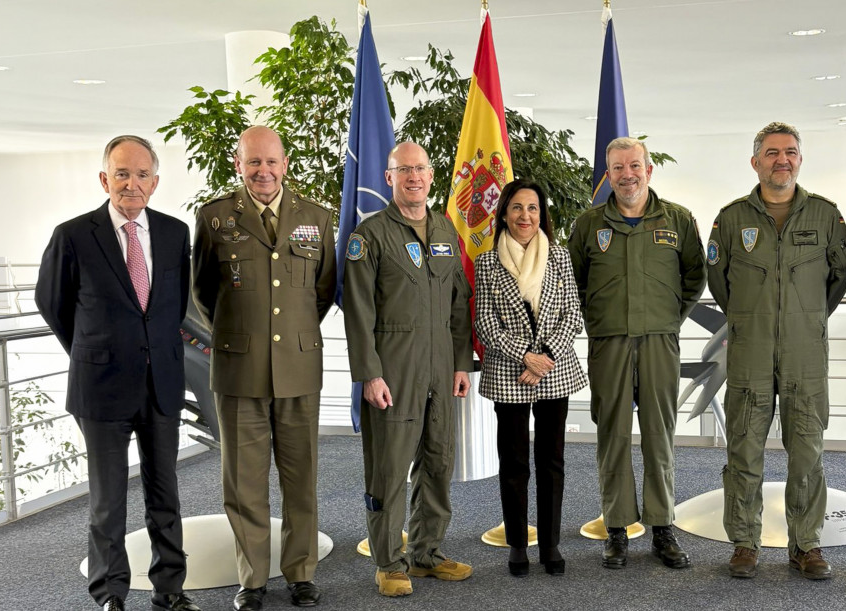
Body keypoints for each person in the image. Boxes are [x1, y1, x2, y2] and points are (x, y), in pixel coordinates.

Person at [36, 136, 200, 611]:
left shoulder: (174, 233)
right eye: (122, 174)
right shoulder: (73, 235)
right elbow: (52, 303)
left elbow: (175, 305)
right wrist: (94, 351)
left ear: (155, 181)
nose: (132, 184)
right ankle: (110, 594)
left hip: (161, 384)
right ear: (104, 179)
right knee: (108, 501)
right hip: (101, 387)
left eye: (142, 174)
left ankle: (170, 589)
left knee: (164, 493)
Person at [192, 125, 335, 610]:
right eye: (253, 162)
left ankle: (301, 573)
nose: (263, 171)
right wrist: (240, 332)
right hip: (239, 370)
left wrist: (289, 333)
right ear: (239, 164)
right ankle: (252, 579)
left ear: (285, 164)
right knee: (244, 482)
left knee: (301, 478)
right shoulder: (214, 218)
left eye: (271, 161)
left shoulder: (316, 217)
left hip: (298, 366)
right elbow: (203, 291)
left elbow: (322, 291)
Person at [706, 122, 846, 580]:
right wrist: (751, 319)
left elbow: (839, 276)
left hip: (804, 354)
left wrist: (806, 318)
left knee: (807, 452)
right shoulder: (732, 219)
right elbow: (719, 282)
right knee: (744, 450)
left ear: (800, 159)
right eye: (772, 153)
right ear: (755, 162)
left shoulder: (825, 216)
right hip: (749, 352)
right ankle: (744, 543)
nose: (782, 160)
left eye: (790, 152)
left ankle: (806, 544)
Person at [568, 137, 707, 570]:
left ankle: (662, 527)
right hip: (608, 343)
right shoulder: (589, 224)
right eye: (617, 167)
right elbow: (575, 281)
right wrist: (600, 320)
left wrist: (668, 319)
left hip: (659, 342)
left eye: (634, 166)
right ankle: (616, 528)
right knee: (611, 434)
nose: (626, 175)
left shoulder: (678, 220)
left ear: (648, 170)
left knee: (659, 434)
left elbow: (694, 277)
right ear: (608, 174)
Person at [342, 142, 474, 597]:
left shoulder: (445, 229)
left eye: (420, 169)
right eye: (404, 170)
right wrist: (370, 373)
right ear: (389, 178)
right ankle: (388, 562)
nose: (413, 177)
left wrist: (461, 363)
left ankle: (426, 553)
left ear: (432, 175)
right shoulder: (370, 235)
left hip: (441, 366)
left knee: (438, 462)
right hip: (393, 369)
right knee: (390, 468)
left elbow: (459, 302)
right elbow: (358, 310)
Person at [474, 179, 588, 577]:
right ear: (504, 214)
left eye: (533, 208)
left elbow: (572, 314)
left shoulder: (559, 256)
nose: (526, 215)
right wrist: (525, 356)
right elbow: (485, 322)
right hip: (510, 373)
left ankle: (551, 544)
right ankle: (518, 545)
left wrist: (544, 358)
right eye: (518, 208)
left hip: (554, 372)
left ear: (542, 214)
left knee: (552, 461)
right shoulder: (488, 262)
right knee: (514, 463)